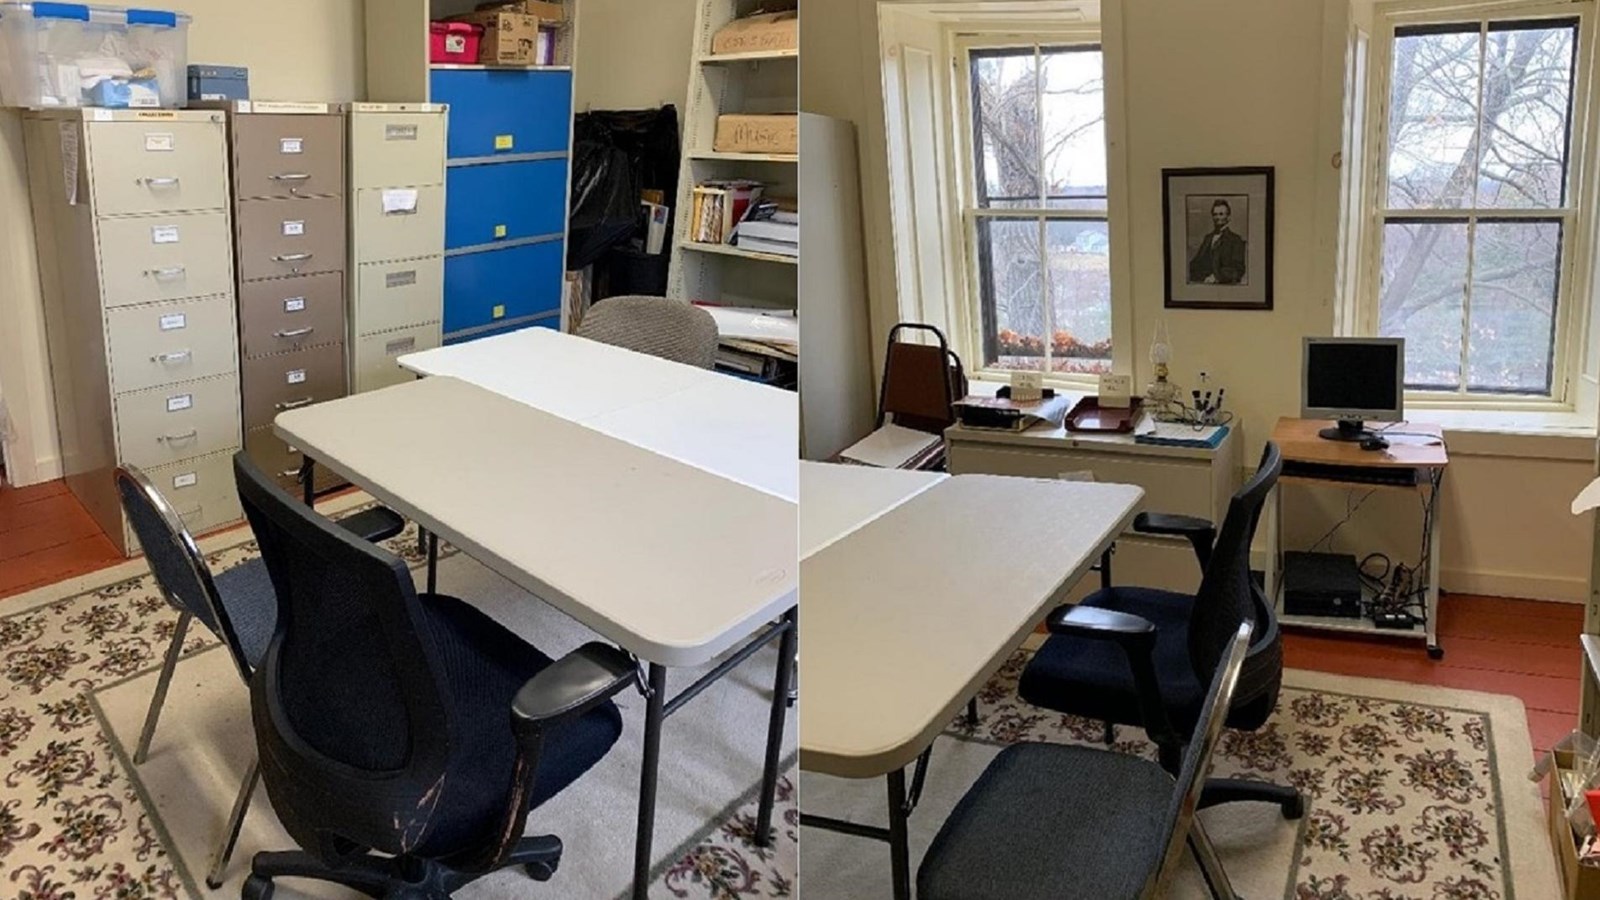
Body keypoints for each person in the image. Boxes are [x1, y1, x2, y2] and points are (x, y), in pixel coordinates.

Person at [1188, 199, 1247, 285]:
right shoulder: (1208, 238)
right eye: (1215, 214)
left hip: (1226, 286)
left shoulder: (1236, 240)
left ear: (1228, 217)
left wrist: (1216, 277)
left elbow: (1238, 269)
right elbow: (1196, 263)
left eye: (1221, 214)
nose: (1217, 217)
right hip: (1204, 284)